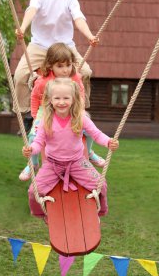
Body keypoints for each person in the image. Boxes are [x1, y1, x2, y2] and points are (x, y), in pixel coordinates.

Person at [22, 78, 119, 220]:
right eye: (57, 98)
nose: (61, 102)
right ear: (50, 99)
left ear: (73, 99)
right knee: (33, 191)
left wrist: (109, 142)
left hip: (77, 162)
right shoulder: (46, 120)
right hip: (52, 164)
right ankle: (41, 213)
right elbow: (38, 143)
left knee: (101, 185)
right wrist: (31, 149)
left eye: (66, 98)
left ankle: (99, 211)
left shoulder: (80, 118)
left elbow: (96, 134)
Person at [14, 0, 98, 117]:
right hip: (40, 45)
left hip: (65, 46)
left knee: (86, 71)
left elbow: (78, 17)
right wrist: (23, 27)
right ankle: (24, 111)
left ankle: (81, 106)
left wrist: (90, 36)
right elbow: (32, 10)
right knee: (19, 76)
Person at [19, 42, 105, 181]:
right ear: (50, 65)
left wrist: (79, 111)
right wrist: (35, 116)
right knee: (33, 136)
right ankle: (33, 163)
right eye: (60, 66)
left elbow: (81, 93)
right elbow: (35, 97)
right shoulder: (42, 81)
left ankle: (88, 152)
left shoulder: (75, 77)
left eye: (68, 65)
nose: (65, 70)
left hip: (71, 109)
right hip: (46, 110)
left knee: (89, 129)